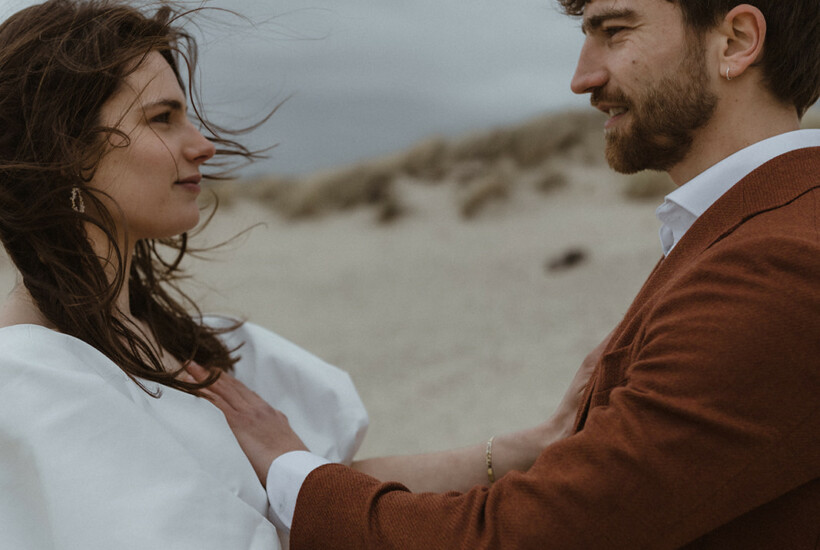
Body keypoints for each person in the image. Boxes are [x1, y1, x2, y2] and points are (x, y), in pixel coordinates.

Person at [206, 0, 820, 548]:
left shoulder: (777, 264)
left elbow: (517, 538)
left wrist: (290, 467)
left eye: (614, 30)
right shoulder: (755, 226)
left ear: (737, 41)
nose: (584, 77)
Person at [0, 1, 595, 548]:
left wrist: (532, 446)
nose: (202, 144)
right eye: (164, 118)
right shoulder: (33, 377)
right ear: (68, 148)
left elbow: (316, 495)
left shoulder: (181, 339)